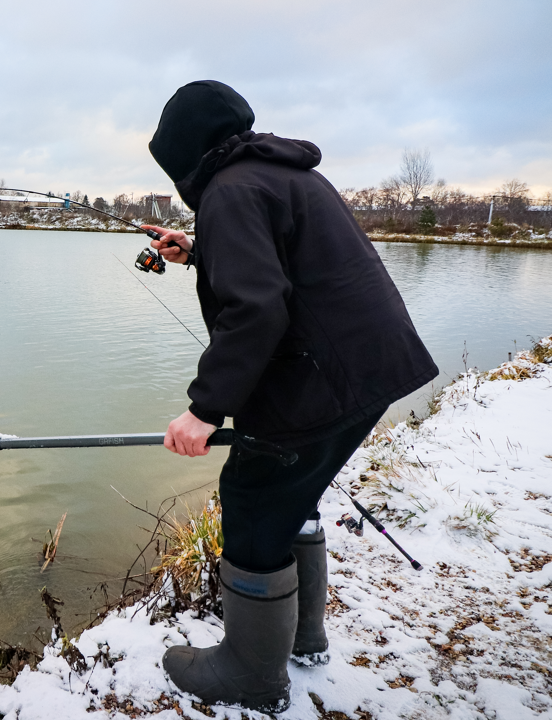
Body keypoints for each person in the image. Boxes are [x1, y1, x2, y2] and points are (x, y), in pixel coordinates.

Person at [143, 80, 438, 713]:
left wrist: (203, 409)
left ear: (182, 152)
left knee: (252, 499)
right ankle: (303, 639)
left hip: (323, 376)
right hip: (367, 368)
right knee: (292, 491)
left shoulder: (228, 191)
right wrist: (199, 253)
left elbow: (257, 308)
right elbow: (284, 268)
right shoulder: (280, 174)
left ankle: (252, 676)